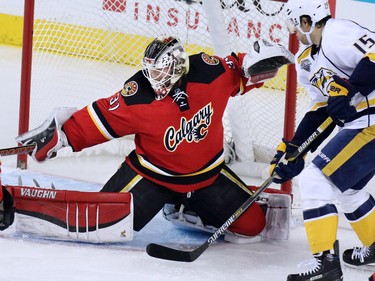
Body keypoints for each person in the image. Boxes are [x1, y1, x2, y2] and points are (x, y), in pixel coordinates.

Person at [10, 35, 293, 242]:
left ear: (179, 67)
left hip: (206, 176)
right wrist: (59, 136)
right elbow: (96, 122)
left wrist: (260, 62)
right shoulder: (138, 96)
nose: (153, 77)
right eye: (151, 69)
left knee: (253, 226)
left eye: (160, 71)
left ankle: (184, 205)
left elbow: (240, 69)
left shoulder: (210, 74)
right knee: (99, 226)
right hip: (151, 176)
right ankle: (14, 207)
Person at [269, 0, 375, 280]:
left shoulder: (337, 32)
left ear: (307, 20)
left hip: (372, 121)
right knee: (348, 189)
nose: (293, 31)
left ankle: (325, 266)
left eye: (294, 23)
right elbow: (321, 109)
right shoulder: (306, 61)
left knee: (316, 179)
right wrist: (292, 149)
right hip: (362, 122)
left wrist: (349, 89)